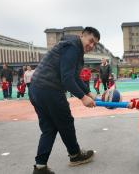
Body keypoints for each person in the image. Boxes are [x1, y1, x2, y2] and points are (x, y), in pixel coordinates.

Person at [29, 27, 100, 174]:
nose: (92, 46)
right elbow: (67, 78)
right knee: (65, 122)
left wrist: (88, 92)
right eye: (91, 41)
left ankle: (40, 167)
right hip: (49, 89)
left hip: (36, 89)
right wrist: (83, 98)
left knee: (49, 128)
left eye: (95, 44)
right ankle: (75, 155)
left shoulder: (71, 46)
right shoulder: (73, 47)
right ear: (83, 36)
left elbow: (74, 76)